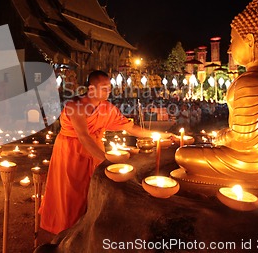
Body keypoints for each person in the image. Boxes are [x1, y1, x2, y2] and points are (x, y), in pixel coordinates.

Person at [175, 0, 258, 181]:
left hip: (248, 161)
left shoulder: (252, 81)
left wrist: (220, 137)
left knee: (183, 154)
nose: (231, 47)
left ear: (250, 40)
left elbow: (241, 140)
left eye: (234, 39)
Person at [39, 70, 171, 234]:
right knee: (72, 192)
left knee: (93, 188)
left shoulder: (107, 108)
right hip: (71, 152)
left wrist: (158, 135)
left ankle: (88, 229)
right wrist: (105, 160)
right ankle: (66, 231)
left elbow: (129, 127)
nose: (108, 91)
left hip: (95, 149)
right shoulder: (75, 106)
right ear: (91, 89)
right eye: (104, 88)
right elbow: (83, 136)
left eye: (109, 87)